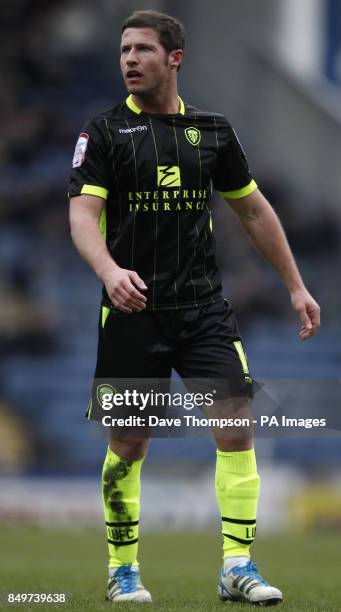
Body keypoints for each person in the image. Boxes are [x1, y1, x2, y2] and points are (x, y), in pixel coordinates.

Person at [68, 10, 320, 605]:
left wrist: (295, 286)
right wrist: (110, 272)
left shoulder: (211, 130)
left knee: (236, 426)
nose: (129, 59)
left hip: (204, 308)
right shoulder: (103, 132)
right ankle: (122, 570)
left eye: (143, 50)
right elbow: (82, 216)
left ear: (174, 59)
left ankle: (238, 566)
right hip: (132, 311)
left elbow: (253, 210)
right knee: (128, 445)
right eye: (124, 50)